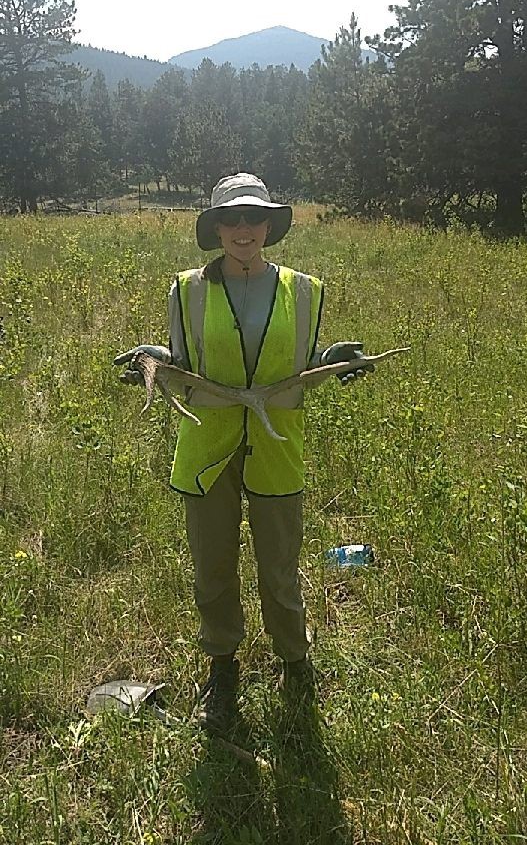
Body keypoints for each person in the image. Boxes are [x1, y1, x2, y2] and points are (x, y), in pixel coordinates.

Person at [115, 173, 372, 733]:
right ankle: (222, 667)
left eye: (253, 218)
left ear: (269, 226)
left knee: (279, 565)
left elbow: (301, 361)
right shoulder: (186, 289)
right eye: (230, 219)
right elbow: (183, 358)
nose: (242, 229)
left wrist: (334, 358)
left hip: (277, 448)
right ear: (215, 228)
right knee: (213, 564)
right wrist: (153, 358)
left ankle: (294, 664)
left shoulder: (305, 289)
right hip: (208, 446)